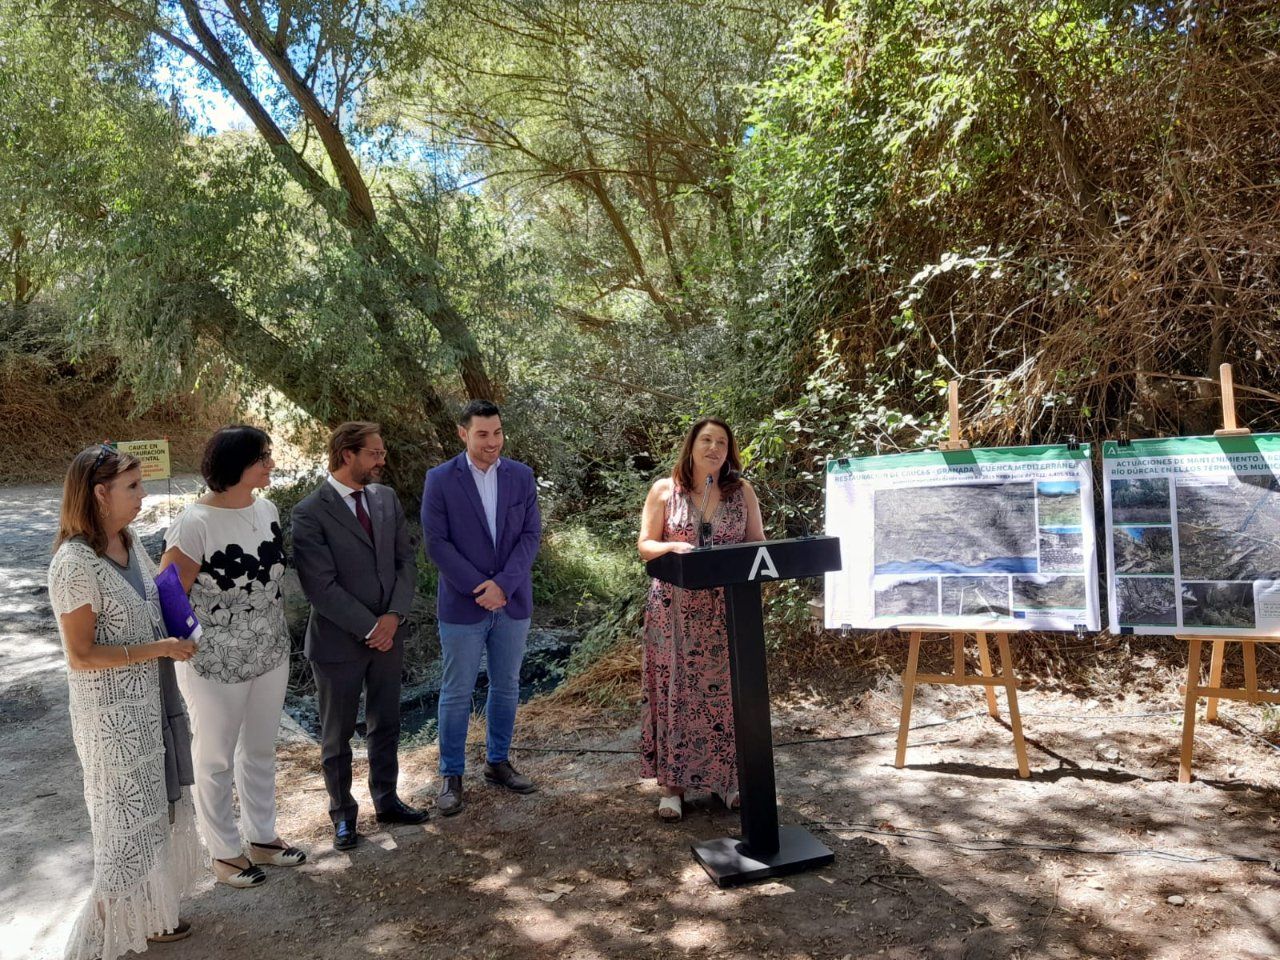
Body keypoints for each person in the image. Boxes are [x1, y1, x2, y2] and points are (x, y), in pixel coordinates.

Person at [48, 444, 203, 959]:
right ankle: (103, 935)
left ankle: (150, 917)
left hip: (154, 703)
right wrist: (157, 648)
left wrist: (180, 622)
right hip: (112, 719)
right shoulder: (73, 564)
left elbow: (151, 602)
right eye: (132, 487)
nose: (142, 496)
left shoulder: (129, 542)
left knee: (157, 812)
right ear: (99, 493)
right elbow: (80, 655)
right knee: (121, 828)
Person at [160, 425, 305, 888]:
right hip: (215, 662)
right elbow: (169, 594)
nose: (271, 464)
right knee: (216, 757)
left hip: (270, 650)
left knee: (260, 749)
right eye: (262, 457)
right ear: (235, 466)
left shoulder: (266, 508)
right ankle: (224, 853)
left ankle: (263, 838)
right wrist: (190, 647)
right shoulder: (194, 523)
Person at [292, 421, 426, 850]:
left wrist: (393, 617)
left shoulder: (385, 499)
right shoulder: (309, 511)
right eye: (374, 453)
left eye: (382, 453)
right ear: (347, 455)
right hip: (337, 643)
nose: (382, 461)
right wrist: (371, 626)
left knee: (386, 723)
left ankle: (387, 800)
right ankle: (343, 817)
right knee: (336, 735)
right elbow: (320, 585)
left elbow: (406, 562)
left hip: (390, 635)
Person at [636, 417, 765, 822]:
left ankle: (727, 781)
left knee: (727, 695)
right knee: (677, 692)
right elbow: (644, 546)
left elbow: (758, 544)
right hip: (673, 612)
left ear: (730, 451)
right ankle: (673, 788)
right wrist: (674, 546)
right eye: (706, 440)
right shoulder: (664, 490)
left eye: (722, 442)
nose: (714, 448)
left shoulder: (741, 491)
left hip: (727, 611)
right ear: (691, 445)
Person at [421, 400, 542, 816]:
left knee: (507, 685)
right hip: (463, 604)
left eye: (497, 433)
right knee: (456, 692)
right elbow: (437, 543)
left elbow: (530, 536)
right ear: (463, 434)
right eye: (482, 434)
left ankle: (498, 763)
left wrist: (503, 586)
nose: (492, 442)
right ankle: (451, 775)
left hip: (512, 601)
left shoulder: (522, 476)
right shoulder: (439, 479)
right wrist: (479, 587)